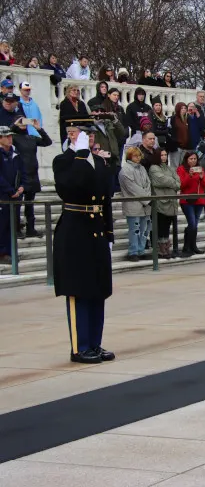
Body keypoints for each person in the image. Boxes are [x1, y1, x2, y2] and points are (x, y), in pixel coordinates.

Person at [53, 118, 115, 363]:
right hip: (75, 232)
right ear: (71, 135)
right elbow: (71, 188)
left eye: (91, 135)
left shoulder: (98, 161)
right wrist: (79, 156)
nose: (90, 139)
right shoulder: (64, 162)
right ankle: (80, 347)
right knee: (78, 290)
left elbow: (105, 200)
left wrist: (109, 233)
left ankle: (95, 343)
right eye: (83, 134)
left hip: (96, 231)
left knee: (97, 289)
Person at [12, 117, 52, 238]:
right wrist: (15, 125)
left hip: (32, 174)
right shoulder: (13, 137)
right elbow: (4, 134)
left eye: (25, 122)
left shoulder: (32, 138)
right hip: (20, 175)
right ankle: (16, 229)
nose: (23, 124)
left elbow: (47, 142)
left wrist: (39, 129)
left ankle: (31, 229)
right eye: (21, 122)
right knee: (17, 205)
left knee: (30, 204)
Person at [119, 146, 152, 262]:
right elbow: (132, 188)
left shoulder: (142, 168)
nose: (138, 158)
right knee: (135, 229)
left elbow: (148, 183)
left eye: (139, 156)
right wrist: (146, 199)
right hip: (133, 204)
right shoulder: (125, 170)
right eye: (135, 156)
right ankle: (133, 251)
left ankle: (141, 250)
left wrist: (148, 196)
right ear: (129, 157)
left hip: (145, 204)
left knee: (145, 229)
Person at [149, 150, 180, 259]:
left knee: (167, 226)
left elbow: (178, 181)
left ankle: (166, 248)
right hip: (160, 202)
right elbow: (161, 180)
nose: (164, 157)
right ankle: (160, 249)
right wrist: (173, 182)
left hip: (171, 202)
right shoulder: (154, 168)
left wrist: (173, 182)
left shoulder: (169, 168)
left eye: (165, 155)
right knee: (160, 226)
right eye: (162, 155)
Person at [177, 151, 205, 257]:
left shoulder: (200, 169)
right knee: (192, 223)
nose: (193, 161)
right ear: (186, 159)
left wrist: (201, 177)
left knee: (194, 223)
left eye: (195, 159)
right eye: (191, 159)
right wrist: (189, 176)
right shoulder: (181, 169)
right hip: (187, 200)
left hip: (199, 200)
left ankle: (192, 246)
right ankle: (187, 247)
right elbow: (181, 185)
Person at [0, 125, 22, 262]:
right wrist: (10, 190)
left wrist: (22, 187)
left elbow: (22, 171)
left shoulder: (15, 153)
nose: (10, 139)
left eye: (10, 136)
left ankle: (10, 251)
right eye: (6, 136)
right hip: (3, 196)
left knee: (11, 224)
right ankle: (2, 253)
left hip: (15, 195)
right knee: (2, 225)